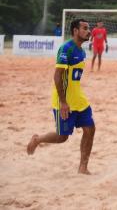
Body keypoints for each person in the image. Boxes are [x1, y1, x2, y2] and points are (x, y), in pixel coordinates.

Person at [27, 19, 96, 175]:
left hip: (79, 99)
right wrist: (63, 102)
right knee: (62, 137)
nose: (88, 31)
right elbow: (58, 76)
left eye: (88, 28)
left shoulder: (82, 51)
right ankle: (38, 139)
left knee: (90, 129)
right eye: (85, 28)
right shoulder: (66, 49)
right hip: (64, 101)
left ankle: (83, 167)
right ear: (75, 31)